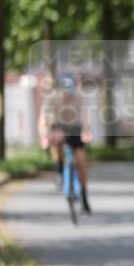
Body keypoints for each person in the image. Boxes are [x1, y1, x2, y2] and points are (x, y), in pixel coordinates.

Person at [38, 75, 92, 213]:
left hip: (75, 129)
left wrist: (86, 131)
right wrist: (44, 135)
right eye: (65, 94)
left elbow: (86, 117)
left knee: (80, 162)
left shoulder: (80, 97)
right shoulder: (52, 98)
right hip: (58, 127)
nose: (67, 97)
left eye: (70, 94)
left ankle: (84, 196)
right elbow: (44, 118)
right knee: (56, 138)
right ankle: (59, 169)